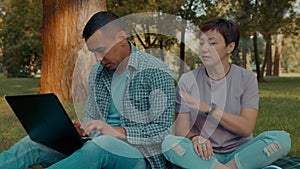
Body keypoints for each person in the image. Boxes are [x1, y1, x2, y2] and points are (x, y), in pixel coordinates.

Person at [0, 11, 175, 169]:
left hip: (140, 157)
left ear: (121, 38)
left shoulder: (157, 71)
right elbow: (92, 119)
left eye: (101, 50)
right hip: (93, 147)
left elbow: (163, 132)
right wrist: (83, 129)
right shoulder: (98, 73)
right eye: (93, 52)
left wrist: (117, 132)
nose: (98, 59)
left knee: (101, 145)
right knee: (33, 143)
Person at [162, 18, 291, 169]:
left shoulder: (246, 78)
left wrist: (211, 109)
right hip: (203, 154)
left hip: (240, 153)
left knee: (282, 139)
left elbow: (246, 127)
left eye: (212, 43)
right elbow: (181, 130)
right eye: (202, 43)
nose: (203, 49)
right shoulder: (188, 80)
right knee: (169, 144)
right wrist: (195, 138)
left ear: (229, 47)